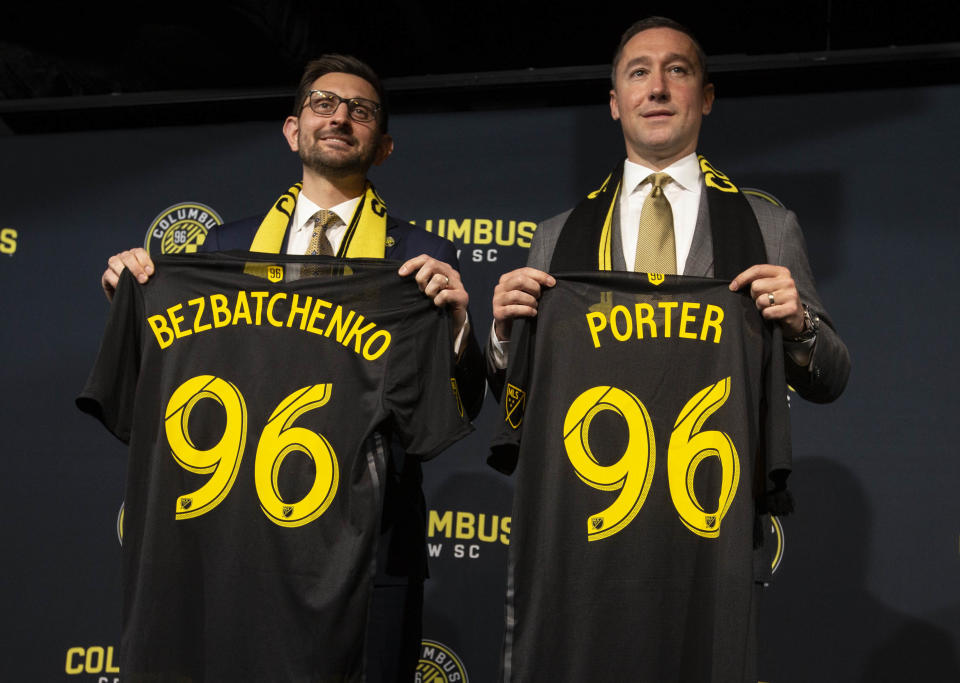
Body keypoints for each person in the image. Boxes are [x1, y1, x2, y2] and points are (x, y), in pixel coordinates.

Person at [100, 54, 485, 682]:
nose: (340, 117)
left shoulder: (421, 257)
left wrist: (461, 328)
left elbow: (453, 412)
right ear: (292, 128)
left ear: (383, 145)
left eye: (361, 111)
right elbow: (171, 389)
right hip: (235, 541)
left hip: (374, 546)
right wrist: (134, 310)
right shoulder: (223, 249)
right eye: (324, 103)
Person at [488, 16, 850, 403]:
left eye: (677, 70)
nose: (657, 89)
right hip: (596, 450)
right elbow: (515, 394)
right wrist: (506, 336)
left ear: (706, 97)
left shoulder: (771, 228)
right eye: (639, 72)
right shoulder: (554, 237)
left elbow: (831, 380)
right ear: (615, 103)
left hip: (723, 456)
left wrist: (800, 329)